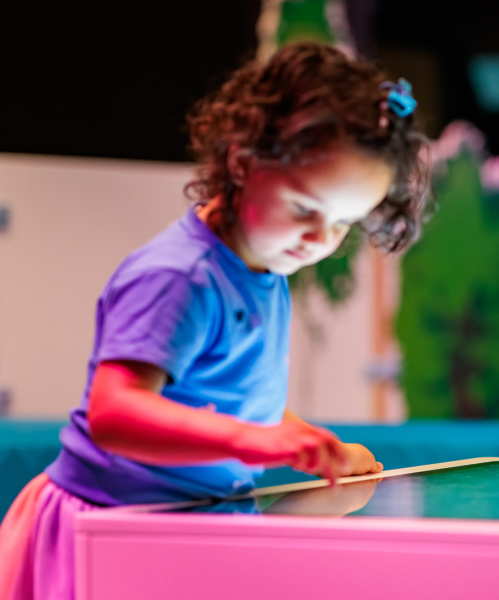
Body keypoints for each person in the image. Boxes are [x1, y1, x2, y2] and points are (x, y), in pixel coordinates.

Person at [0, 42, 430, 600]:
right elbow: (113, 411)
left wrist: (301, 440)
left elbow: (229, 394)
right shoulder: (181, 276)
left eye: (343, 222)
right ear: (242, 161)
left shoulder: (263, 266)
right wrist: (257, 443)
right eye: (306, 209)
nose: (320, 238)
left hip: (180, 523)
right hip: (104, 528)